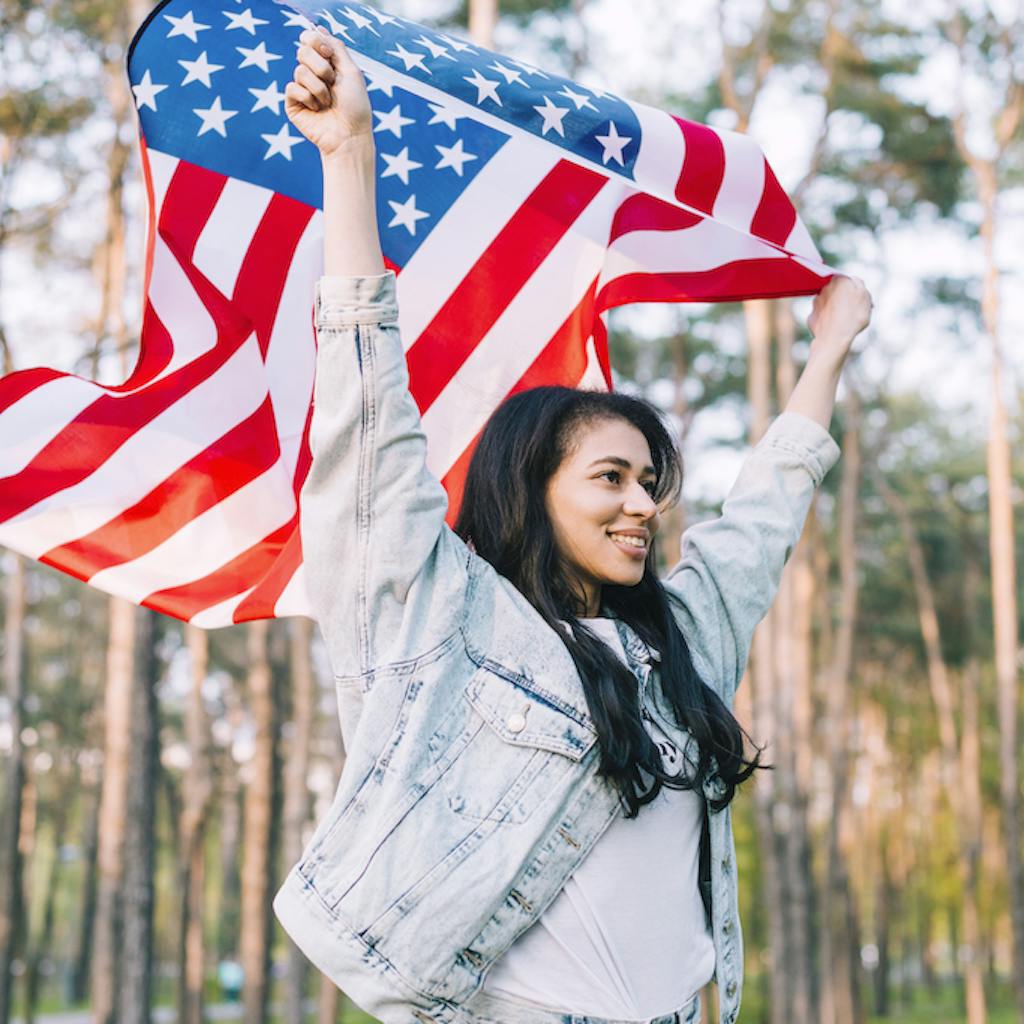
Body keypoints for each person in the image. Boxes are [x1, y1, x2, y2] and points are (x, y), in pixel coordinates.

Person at [272, 27, 872, 1024]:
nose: (644, 504)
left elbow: (764, 510)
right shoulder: (448, 620)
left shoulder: (681, 642)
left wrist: (831, 349)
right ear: (530, 489)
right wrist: (349, 157)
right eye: (610, 478)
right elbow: (364, 426)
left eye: (649, 480)